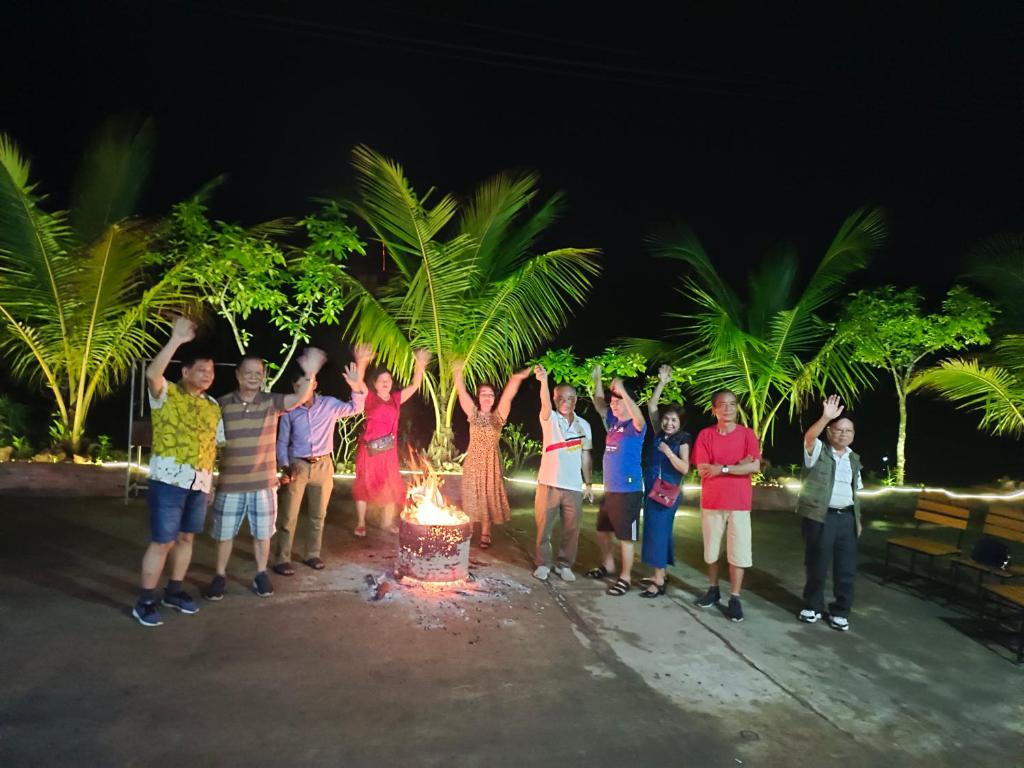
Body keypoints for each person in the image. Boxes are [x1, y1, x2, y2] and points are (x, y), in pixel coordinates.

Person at [204, 347, 327, 601]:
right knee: (224, 535)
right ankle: (219, 575)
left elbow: (300, 398)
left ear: (263, 376)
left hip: (263, 484)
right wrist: (209, 481)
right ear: (238, 375)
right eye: (247, 373)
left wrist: (310, 372)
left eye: (257, 373)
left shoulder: (271, 402)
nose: (252, 377)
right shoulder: (222, 404)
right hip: (230, 484)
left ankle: (260, 573)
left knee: (263, 534)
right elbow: (208, 445)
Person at [132, 317, 224, 627]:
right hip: (168, 482)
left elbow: (213, 447)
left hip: (198, 483)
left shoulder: (212, 406)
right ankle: (145, 600)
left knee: (186, 538)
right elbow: (152, 372)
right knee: (163, 541)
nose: (207, 375)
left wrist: (210, 483)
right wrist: (176, 340)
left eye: (211, 371)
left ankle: (174, 591)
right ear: (185, 372)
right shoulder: (166, 394)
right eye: (201, 370)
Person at [271, 344, 372, 576]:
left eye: (307, 384)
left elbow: (356, 408)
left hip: (323, 465)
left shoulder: (329, 404)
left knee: (319, 514)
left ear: (314, 384)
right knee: (289, 515)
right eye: (298, 386)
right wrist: (285, 466)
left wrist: (357, 384)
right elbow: (282, 441)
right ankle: (282, 558)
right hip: (298, 464)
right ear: (294, 388)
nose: (303, 388)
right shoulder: (290, 411)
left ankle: (312, 554)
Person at [691, 389, 761, 622]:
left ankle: (735, 597)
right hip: (712, 501)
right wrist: (737, 465)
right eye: (723, 404)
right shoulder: (705, 435)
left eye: (732, 404)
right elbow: (703, 469)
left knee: (739, 552)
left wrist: (722, 468)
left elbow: (754, 467)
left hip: (739, 504)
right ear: (714, 409)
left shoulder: (747, 435)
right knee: (711, 549)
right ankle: (713, 589)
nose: (728, 408)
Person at [796, 395, 864, 632]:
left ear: (853, 434)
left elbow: (857, 493)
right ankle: (812, 606)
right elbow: (809, 437)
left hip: (847, 518)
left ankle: (840, 611)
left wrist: (858, 521)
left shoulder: (854, 459)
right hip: (821, 517)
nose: (843, 434)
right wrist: (826, 416)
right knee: (817, 563)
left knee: (845, 568)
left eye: (848, 431)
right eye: (838, 429)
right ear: (829, 432)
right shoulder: (818, 452)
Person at [452, 360, 532, 548]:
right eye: (483, 394)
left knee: (488, 495)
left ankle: (486, 532)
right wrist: (457, 372)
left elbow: (508, 397)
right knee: (471, 494)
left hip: (491, 463)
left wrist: (517, 378)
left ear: (494, 398)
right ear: (478, 397)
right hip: (473, 461)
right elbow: (462, 393)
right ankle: (468, 529)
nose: (487, 397)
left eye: (490, 394)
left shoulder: (498, 416)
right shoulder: (473, 414)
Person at [352, 349, 431, 536]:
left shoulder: (396, 399)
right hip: (370, 450)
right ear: (375, 384)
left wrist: (420, 365)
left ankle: (387, 523)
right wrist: (361, 361)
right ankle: (361, 522)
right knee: (364, 483)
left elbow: (414, 385)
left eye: (388, 380)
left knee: (390, 485)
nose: (386, 383)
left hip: (388, 451)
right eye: (382, 380)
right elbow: (357, 383)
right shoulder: (370, 397)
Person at [585, 366, 646, 596]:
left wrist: (622, 389)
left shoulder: (635, 426)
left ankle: (625, 577)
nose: (613, 404)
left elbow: (638, 415)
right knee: (603, 530)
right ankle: (608, 565)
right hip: (610, 490)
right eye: (614, 400)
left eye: (618, 401)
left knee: (625, 537)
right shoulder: (614, 422)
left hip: (628, 491)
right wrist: (598, 379)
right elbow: (599, 402)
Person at [533, 365, 593, 581]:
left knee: (571, 529)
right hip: (548, 483)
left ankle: (564, 564)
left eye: (570, 398)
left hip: (573, 486)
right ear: (554, 398)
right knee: (544, 528)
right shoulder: (549, 419)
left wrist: (588, 483)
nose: (565, 402)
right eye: (560, 398)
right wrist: (543, 381)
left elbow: (586, 456)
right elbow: (545, 404)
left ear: (576, 399)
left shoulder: (584, 426)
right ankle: (543, 563)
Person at [639, 365, 691, 598]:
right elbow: (651, 406)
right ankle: (661, 573)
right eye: (667, 419)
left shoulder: (682, 440)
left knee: (656, 533)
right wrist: (662, 382)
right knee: (659, 532)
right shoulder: (659, 433)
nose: (670, 423)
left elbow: (685, 467)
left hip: (666, 492)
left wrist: (669, 454)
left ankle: (658, 581)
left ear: (680, 423)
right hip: (652, 489)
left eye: (674, 420)